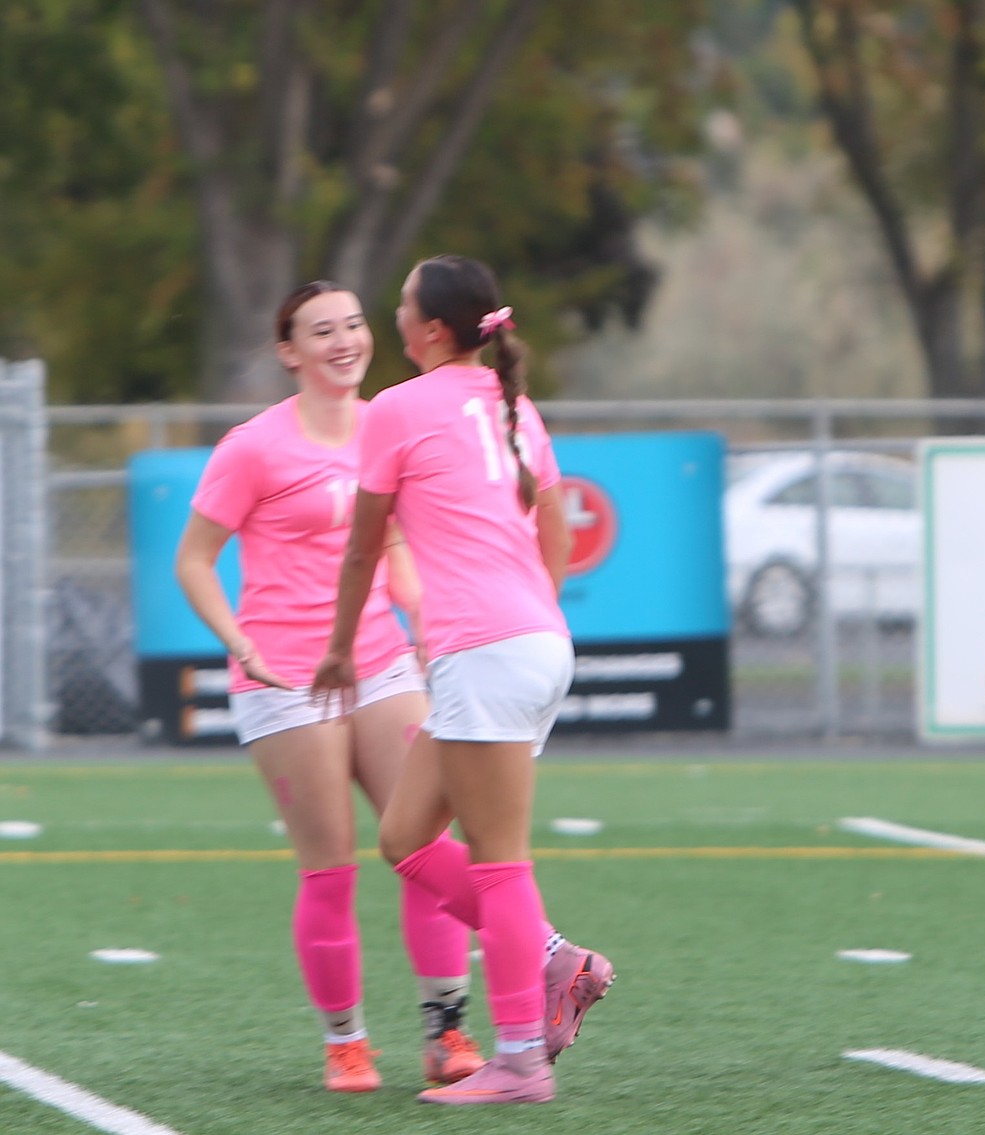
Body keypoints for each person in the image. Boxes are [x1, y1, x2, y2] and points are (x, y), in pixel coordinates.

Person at [311, 254, 614, 1105]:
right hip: (526, 645)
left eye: (400, 301)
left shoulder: (399, 408)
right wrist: (527, 616)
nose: (392, 313)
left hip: (490, 652)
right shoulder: (513, 403)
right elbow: (553, 528)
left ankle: (520, 1061)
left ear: (431, 329)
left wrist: (340, 647)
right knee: (405, 837)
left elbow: (365, 544)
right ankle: (554, 958)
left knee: (498, 865)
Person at [173, 281, 484, 1094]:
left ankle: (448, 1031)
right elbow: (195, 559)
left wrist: (419, 608)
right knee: (331, 867)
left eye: (353, 324)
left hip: (381, 661)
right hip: (286, 678)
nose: (344, 340)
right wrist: (240, 643)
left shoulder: (392, 421)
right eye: (322, 330)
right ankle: (345, 1042)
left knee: (423, 845)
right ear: (290, 352)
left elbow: (399, 543)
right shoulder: (253, 446)